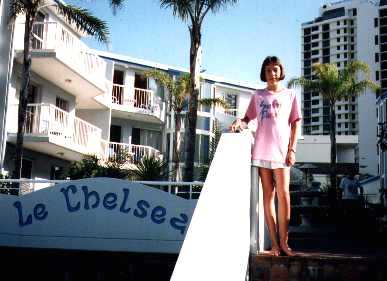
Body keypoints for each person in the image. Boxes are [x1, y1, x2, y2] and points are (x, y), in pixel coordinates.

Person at [230, 56, 302, 256]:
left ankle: (285, 242)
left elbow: (295, 123)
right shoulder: (258, 95)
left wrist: (292, 149)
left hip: (281, 153)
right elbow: (247, 118)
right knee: (268, 197)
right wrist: (238, 123)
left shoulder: (290, 95)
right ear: (264, 72)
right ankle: (275, 245)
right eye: (268, 70)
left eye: (275, 69)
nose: (272, 73)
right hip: (261, 151)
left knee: (284, 195)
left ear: (281, 72)